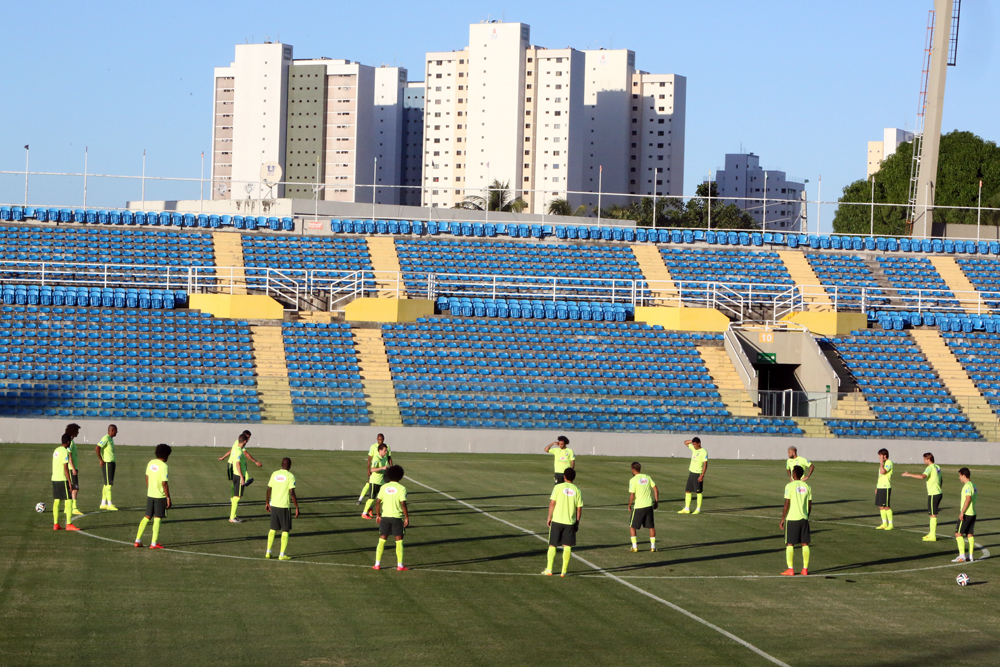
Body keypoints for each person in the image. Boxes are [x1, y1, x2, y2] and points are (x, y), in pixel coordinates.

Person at [544, 467, 583, 577]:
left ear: (564, 477)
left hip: (557, 520)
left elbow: (552, 503)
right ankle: (563, 571)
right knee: (567, 546)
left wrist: (549, 517)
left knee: (552, 545)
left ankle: (549, 569)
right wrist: (577, 521)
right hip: (569, 522)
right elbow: (579, 508)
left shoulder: (558, 487)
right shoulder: (577, 490)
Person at [135, 444, 172, 549]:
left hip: (150, 494)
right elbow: (164, 483)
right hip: (160, 496)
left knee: (147, 516)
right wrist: (168, 498)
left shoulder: (151, 463)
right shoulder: (164, 466)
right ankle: (153, 543)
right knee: (158, 518)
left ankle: (137, 540)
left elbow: (147, 478)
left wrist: (150, 489)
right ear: (166, 455)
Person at [373, 465, 409, 571]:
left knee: (381, 540)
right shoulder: (402, 488)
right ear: (400, 476)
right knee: (399, 542)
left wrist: (378, 515)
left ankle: (377, 564)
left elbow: (378, 502)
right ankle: (400, 565)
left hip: (385, 518)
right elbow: (403, 503)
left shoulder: (384, 487)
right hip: (397, 518)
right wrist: (406, 517)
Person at [779, 465, 813, 576]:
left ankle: (790, 569)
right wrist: (807, 515)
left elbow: (786, 504)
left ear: (794, 474)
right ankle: (805, 569)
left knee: (789, 543)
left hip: (792, 518)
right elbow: (810, 504)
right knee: (805, 543)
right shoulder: (807, 486)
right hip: (804, 518)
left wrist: (783, 519)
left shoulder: (789, 486)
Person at [902, 452, 942, 542]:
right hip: (938, 492)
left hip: (933, 493)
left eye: (924, 459)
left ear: (928, 459)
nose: (923, 461)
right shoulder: (937, 467)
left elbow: (922, 477)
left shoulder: (930, 468)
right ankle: (931, 533)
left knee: (933, 515)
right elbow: (941, 479)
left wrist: (909, 474)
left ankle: (932, 535)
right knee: (932, 514)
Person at [265, 458, 299, 561]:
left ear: (281, 464)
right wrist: (297, 507)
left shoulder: (274, 474)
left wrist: (267, 502)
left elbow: (268, 488)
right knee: (285, 529)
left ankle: (268, 552)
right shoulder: (290, 476)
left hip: (274, 505)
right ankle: (282, 554)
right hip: (284, 506)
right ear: (290, 466)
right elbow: (292, 492)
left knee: (273, 529)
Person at [627, 462, 659, 552]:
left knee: (632, 526)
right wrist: (656, 501)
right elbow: (656, 489)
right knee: (651, 526)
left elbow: (632, 495)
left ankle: (634, 546)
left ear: (633, 470)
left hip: (639, 506)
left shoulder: (633, 480)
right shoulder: (647, 477)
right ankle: (653, 547)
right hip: (649, 505)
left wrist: (629, 505)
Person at [51, 433, 80, 532]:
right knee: (69, 500)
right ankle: (69, 524)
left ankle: (56, 524)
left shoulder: (56, 450)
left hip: (54, 478)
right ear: (68, 442)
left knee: (57, 500)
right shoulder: (64, 451)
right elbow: (65, 468)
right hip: (62, 479)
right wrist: (69, 481)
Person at [357, 434, 392, 505]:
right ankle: (360, 499)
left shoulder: (387, 447)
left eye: (382, 439)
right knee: (368, 483)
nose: (381, 441)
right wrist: (368, 469)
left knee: (381, 489)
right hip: (376, 469)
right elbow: (369, 459)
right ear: (377, 439)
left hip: (383, 470)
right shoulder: (373, 447)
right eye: (379, 439)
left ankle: (372, 505)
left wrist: (391, 467)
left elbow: (389, 458)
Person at [952, 468, 977, 563]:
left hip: (966, 513)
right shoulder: (974, 486)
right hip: (973, 513)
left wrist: (962, 512)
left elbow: (968, 499)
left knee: (958, 533)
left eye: (960, 476)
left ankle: (961, 556)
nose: (959, 478)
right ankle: (970, 556)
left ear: (964, 475)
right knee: (970, 534)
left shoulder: (967, 486)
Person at [362, 443, 391, 519]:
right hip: (374, 481)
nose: (386, 452)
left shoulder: (384, 458)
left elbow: (387, 466)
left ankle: (370, 507)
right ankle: (364, 513)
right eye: (385, 450)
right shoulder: (376, 458)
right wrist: (382, 468)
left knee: (382, 498)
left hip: (382, 482)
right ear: (380, 450)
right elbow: (372, 469)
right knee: (371, 498)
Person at [679, 437, 707, 514]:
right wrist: (692, 441)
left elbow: (705, 465)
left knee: (698, 492)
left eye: (695, 444)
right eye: (693, 444)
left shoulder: (703, 452)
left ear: (699, 443)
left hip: (698, 473)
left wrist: (702, 475)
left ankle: (698, 509)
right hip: (691, 472)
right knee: (687, 490)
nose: (693, 445)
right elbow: (685, 442)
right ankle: (687, 508)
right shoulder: (694, 449)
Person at [94, 424, 119, 511]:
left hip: (111, 463)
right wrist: (101, 460)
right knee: (109, 484)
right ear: (112, 430)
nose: (117, 432)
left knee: (106, 484)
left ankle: (103, 503)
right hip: (107, 463)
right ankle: (109, 504)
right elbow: (97, 448)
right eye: (116, 430)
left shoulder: (110, 439)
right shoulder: (106, 438)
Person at [226, 434, 250, 523]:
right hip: (239, 475)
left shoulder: (236, 449)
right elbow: (238, 464)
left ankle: (233, 516)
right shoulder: (239, 451)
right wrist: (242, 478)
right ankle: (232, 517)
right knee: (237, 497)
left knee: (236, 495)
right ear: (244, 441)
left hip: (235, 474)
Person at [875, 448, 894, 530]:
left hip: (885, 487)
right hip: (880, 487)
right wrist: (877, 487)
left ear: (884, 455)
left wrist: (881, 463)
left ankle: (890, 524)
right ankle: (884, 523)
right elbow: (880, 476)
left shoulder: (889, 463)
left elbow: (883, 472)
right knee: (880, 506)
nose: (879, 457)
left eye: (880, 455)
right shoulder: (884, 463)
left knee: (886, 506)